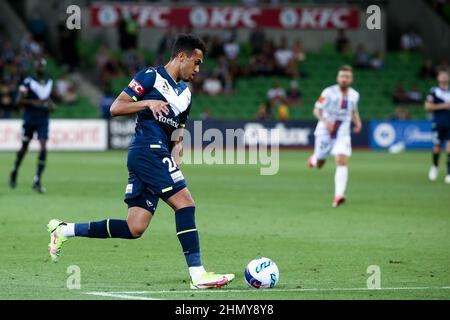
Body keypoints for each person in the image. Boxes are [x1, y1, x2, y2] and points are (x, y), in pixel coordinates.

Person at [46, 34, 235, 289]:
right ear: (182, 56)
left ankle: (64, 230)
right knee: (185, 203)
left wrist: (176, 158)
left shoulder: (186, 95)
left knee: (135, 227)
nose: (198, 69)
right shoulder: (150, 76)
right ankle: (198, 275)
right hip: (147, 149)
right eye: (196, 62)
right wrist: (148, 102)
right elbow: (115, 107)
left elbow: (178, 133)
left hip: (158, 154)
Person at [307, 65, 362, 207]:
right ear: (338, 78)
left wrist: (358, 123)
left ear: (351, 79)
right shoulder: (328, 92)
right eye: (342, 76)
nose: (344, 79)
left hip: (342, 133)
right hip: (325, 132)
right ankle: (314, 158)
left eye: (347, 76)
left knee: (341, 160)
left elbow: (353, 111)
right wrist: (326, 122)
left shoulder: (354, 95)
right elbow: (316, 110)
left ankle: (338, 196)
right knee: (320, 163)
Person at [9, 58, 56, 193]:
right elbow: (18, 101)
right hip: (29, 119)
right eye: (38, 66)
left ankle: (37, 179)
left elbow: (47, 100)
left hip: (43, 120)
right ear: (35, 67)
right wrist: (33, 102)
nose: (40, 68)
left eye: (42, 66)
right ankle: (15, 170)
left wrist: (51, 105)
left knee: (43, 146)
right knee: (24, 147)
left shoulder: (49, 82)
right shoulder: (28, 82)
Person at [425, 69, 450, 183]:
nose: (444, 77)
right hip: (438, 122)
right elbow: (428, 107)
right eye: (442, 75)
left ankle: (449, 173)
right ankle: (435, 166)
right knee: (437, 147)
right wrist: (443, 105)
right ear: (438, 78)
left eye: (446, 75)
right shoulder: (434, 92)